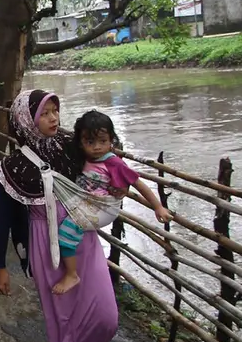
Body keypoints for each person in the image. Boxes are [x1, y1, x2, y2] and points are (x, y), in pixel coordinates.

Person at [0, 89, 115, 342]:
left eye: (56, 111)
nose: (53, 118)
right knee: (64, 324)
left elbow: (107, 159)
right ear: (26, 119)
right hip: (46, 248)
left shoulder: (71, 146)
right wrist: (1, 266)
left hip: (82, 238)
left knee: (106, 316)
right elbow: (2, 218)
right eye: (45, 113)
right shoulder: (12, 167)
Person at [52, 110, 171, 295]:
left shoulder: (114, 163)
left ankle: (72, 274)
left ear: (111, 140)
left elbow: (138, 184)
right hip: (88, 203)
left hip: (103, 207)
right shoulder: (84, 158)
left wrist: (158, 207)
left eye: (103, 141)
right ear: (81, 142)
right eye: (90, 142)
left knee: (66, 232)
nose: (97, 147)